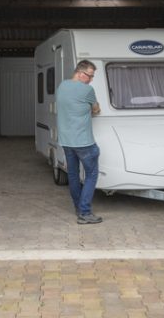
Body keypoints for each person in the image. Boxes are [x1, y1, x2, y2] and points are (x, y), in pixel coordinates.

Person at [55, 60, 102, 224]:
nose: (91, 79)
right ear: (80, 73)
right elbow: (96, 109)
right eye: (90, 76)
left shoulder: (62, 86)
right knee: (91, 175)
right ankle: (85, 212)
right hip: (84, 142)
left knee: (73, 175)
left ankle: (78, 208)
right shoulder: (87, 90)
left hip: (66, 141)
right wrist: (91, 108)